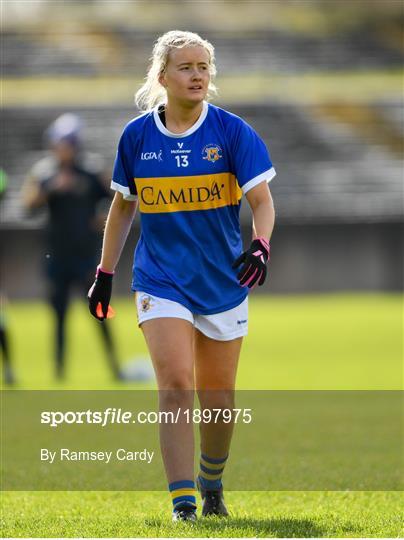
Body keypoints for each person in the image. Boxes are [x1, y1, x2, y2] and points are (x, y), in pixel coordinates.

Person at [88, 30, 276, 522]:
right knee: (174, 384)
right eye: (187, 67)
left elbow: (261, 201)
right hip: (159, 279)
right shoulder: (136, 136)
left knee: (218, 402)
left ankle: (211, 482)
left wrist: (260, 243)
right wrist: (106, 272)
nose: (197, 76)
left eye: (204, 68)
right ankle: (183, 505)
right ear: (162, 76)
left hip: (222, 280)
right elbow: (123, 209)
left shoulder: (232, 131)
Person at [22, 114, 121, 380]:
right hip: (57, 256)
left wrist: (102, 218)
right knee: (59, 316)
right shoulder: (45, 174)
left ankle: (115, 367)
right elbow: (28, 206)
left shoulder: (90, 172)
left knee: (98, 312)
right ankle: (59, 372)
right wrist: (51, 190)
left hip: (86, 257)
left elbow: (117, 200)